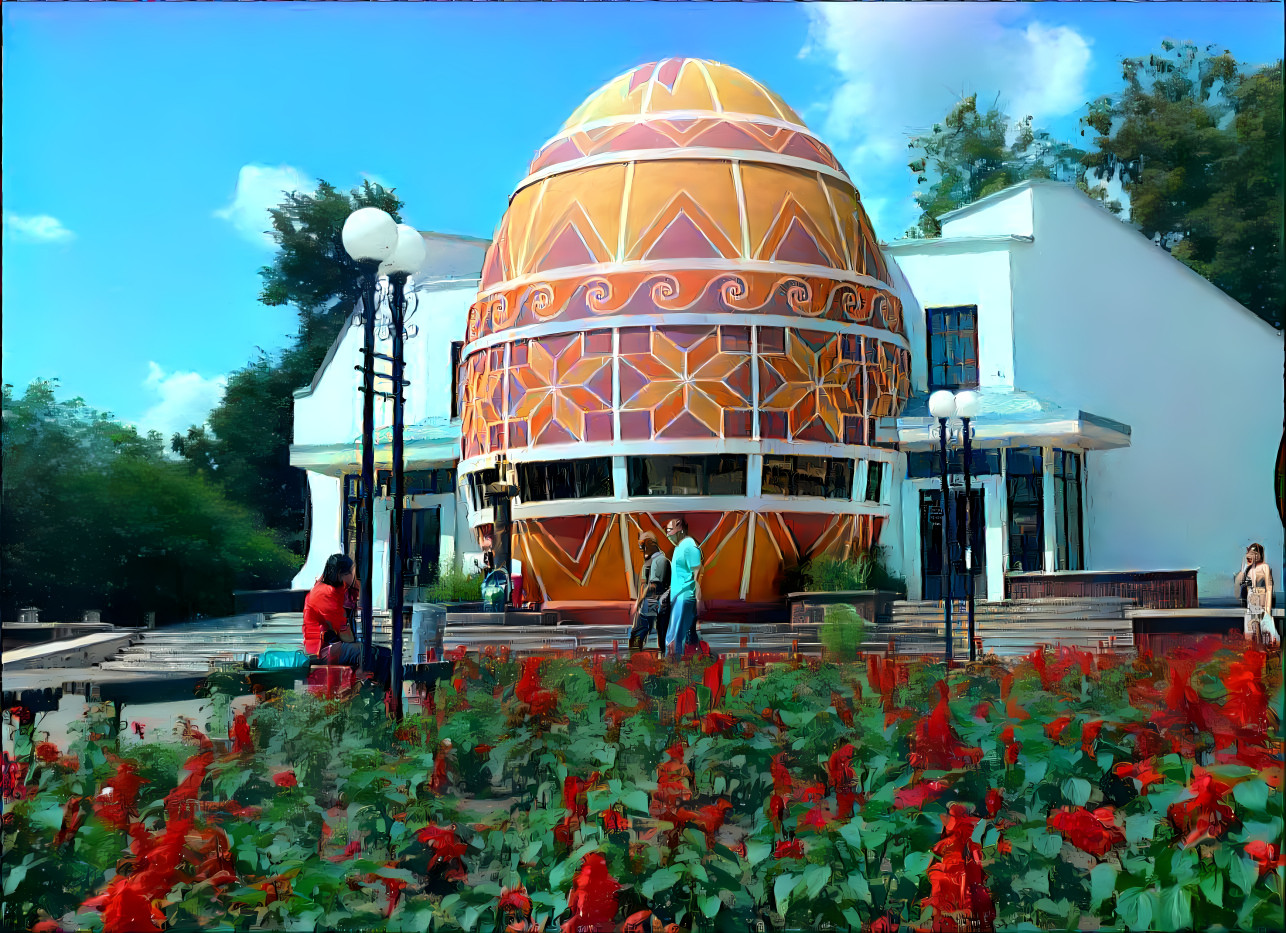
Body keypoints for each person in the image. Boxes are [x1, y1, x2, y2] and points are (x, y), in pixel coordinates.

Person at [303, 554, 392, 690]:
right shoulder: (324, 593)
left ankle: (380, 692)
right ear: (341, 574)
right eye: (351, 572)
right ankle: (375, 691)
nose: (353, 576)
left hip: (333, 645)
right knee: (367, 652)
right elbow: (345, 636)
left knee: (383, 652)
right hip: (321, 649)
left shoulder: (335, 590)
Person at [664, 517, 703, 658]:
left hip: (684, 596)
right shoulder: (679, 547)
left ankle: (674, 669)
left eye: (669, 530)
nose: (667, 534)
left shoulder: (688, 545)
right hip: (678, 597)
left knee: (673, 639)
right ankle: (679, 667)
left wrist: (697, 600)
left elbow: (697, 573)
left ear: (679, 529)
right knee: (679, 637)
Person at [629, 532, 670, 651]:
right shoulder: (651, 561)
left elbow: (653, 586)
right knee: (640, 638)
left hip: (653, 606)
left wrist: (639, 601)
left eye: (642, 545)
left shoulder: (660, 561)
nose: (641, 549)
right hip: (649, 606)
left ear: (650, 543)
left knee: (639, 636)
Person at [1235, 543, 1277, 646]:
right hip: (1251, 608)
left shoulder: (1264, 567)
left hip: (1262, 608)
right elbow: (1238, 593)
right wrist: (1239, 578)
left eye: (1252, 553)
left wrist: (1267, 610)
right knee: (1250, 639)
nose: (1248, 556)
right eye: (1248, 553)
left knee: (1266, 638)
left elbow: (1269, 588)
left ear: (1258, 555)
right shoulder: (1248, 570)